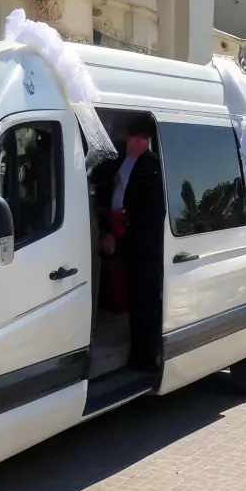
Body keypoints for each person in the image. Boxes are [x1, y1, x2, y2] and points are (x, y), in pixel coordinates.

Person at [95, 114, 165, 372]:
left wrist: (121, 240)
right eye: (129, 137)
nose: (131, 142)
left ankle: (145, 360)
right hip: (119, 236)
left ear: (146, 140)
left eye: (137, 138)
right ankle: (138, 354)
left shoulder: (151, 167)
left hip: (142, 247)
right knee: (130, 302)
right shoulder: (121, 161)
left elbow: (149, 216)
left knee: (144, 304)